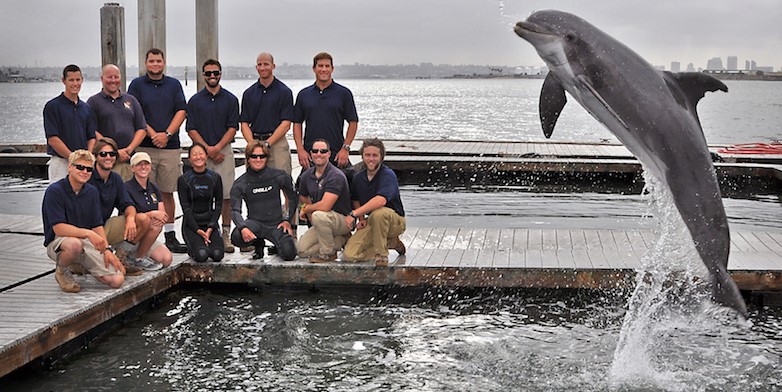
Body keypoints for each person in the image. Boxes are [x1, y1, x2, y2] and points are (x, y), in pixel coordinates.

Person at [128, 48, 188, 254]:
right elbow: (137, 113)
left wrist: (167, 134)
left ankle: (170, 235)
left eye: (158, 61)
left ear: (164, 63)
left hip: (170, 147)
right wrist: (153, 134)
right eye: (151, 61)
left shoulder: (174, 84)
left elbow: (182, 110)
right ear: (146, 63)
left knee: (167, 192)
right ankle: (144, 235)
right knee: (141, 192)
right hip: (145, 147)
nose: (155, 64)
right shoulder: (137, 85)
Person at [42, 149, 125, 293]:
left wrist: (107, 250)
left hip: (85, 241)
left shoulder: (91, 192)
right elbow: (59, 228)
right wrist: (88, 233)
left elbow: (97, 225)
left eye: (89, 169)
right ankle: (62, 271)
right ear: (69, 167)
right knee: (74, 245)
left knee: (117, 279)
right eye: (80, 167)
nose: (84, 172)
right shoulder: (54, 191)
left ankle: (79, 264)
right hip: (60, 242)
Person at [186, 58, 239, 254]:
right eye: (208, 73)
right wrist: (207, 149)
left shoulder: (231, 99)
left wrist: (217, 147)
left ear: (220, 74)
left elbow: (233, 127)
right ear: (203, 75)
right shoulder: (195, 101)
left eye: (215, 72)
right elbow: (190, 128)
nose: (212, 76)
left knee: (226, 196)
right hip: (201, 153)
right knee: (201, 195)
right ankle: (203, 233)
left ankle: (225, 234)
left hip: (224, 151)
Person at [88, 138, 153, 275]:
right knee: (116, 276)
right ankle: (79, 262)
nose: (108, 157)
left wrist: (130, 219)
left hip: (105, 227)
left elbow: (127, 203)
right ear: (95, 156)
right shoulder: (88, 178)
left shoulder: (115, 179)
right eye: (103, 154)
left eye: (112, 154)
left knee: (142, 219)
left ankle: (121, 256)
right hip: (87, 231)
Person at [342, 138, 406, 267]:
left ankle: (381, 255)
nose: (371, 159)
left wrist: (354, 214)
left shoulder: (388, 175)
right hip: (372, 221)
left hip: (395, 221)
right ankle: (390, 243)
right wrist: (361, 219)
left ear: (381, 157)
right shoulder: (358, 177)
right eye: (367, 155)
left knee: (379, 213)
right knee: (349, 255)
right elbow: (355, 199)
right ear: (362, 156)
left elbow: (380, 201)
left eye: (375, 155)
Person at [230, 140, 297, 261]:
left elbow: (293, 197)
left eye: (262, 156)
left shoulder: (278, 176)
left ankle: (277, 245)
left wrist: (287, 219)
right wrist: (243, 228)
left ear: (267, 158)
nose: (258, 159)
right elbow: (235, 210)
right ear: (248, 158)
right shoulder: (240, 183)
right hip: (255, 225)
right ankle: (257, 243)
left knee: (289, 254)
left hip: (276, 225)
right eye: (254, 156)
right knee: (236, 236)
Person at [293, 52, 358, 171]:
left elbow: (353, 122)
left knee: (349, 184)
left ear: (332, 69)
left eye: (327, 66)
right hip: (311, 155)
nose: (324, 69)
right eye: (320, 66)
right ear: (314, 69)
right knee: (304, 187)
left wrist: (346, 148)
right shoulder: (304, 95)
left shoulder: (344, 93)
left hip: (336, 154)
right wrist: (300, 150)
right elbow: (297, 123)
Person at [87, 64, 147, 181]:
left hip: (131, 160)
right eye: (109, 77)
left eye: (116, 77)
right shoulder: (93, 102)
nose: (113, 80)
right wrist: (114, 152)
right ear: (102, 79)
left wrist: (129, 150)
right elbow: (92, 131)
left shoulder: (131, 100)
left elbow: (141, 128)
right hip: (108, 162)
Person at [297, 139, 352, 263]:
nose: (319, 154)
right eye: (315, 151)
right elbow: (303, 196)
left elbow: (325, 206)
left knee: (319, 215)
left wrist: (305, 209)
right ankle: (340, 240)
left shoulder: (336, 176)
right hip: (322, 220)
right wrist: (308, 211)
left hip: (343, 220)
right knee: (301, 250)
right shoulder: (306, 176)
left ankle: (328, 253)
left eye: (323, 151)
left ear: (329, 154)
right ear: (310, 154)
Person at [239, 52, 294, 175]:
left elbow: (286, 124)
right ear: (256, 67)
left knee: (284, 182)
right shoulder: (248, 93)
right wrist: (252, 144)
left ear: (273, 66)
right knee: (253, 183)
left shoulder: (284, 92)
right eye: (260, 64)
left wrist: (268, 143)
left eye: (266, 64)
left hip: (277, 143)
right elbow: (244, 123)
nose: (263, 67)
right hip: (254, 141)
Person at [43, 64, 97, 182]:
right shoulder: (52, 106)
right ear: (64, 81)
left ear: (82, 80)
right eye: (71, 80)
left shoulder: (86, 108)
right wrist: (72, 158)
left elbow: (91, 137)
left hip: (83, 165)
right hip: (61, 162)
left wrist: (87, 157)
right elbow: (52, 139)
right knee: (59, 197)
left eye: (78, 80)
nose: (75, 84)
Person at [123, 152, 173, 269]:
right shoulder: (126, 187)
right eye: (139, 164)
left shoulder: (153, 187)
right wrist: (151, 214)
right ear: (132, 168)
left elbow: (163, 215)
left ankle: (139, 254)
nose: (143, 167)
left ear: (150, 167)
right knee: (150, 223)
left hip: (149, 235)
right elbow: (128, 214)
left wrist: (157, 217)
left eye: (146, 164)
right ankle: (138, 258)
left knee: (167, 259)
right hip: (133, 233)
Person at [177, 143, 225, 262]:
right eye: (194, 154)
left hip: (210, 224)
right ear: (189, 159)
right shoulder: (183, 180)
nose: (198, 157)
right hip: (192, 226)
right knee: (202, 255)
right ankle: (193, 246)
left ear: (206, 156)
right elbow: (185, 208)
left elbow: (218, 205)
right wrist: (198, 230)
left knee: (217, 255)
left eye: (201, 154)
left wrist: (210, 227)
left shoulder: (215, 177)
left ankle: (207, 242)